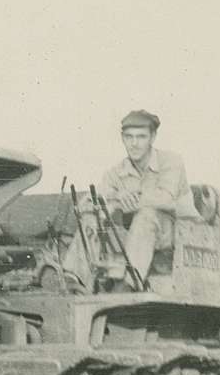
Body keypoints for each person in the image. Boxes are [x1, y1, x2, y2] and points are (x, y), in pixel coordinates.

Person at [62, 108, 194, 291]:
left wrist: (131, 201)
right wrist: (115, 198)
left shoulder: (170, 162)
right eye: (129, 137)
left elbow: (165, 199)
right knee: (92, 218)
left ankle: (128, 285)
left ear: (153, 137)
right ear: (122, 138)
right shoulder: (117, 172)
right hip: (137, 237)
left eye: (141, 137)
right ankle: (74, 280)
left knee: (146, 216)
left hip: (177, 234)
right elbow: (87, 203)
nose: (134, 144)